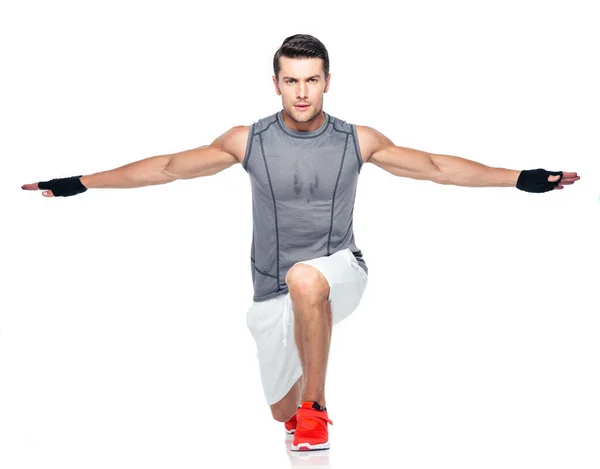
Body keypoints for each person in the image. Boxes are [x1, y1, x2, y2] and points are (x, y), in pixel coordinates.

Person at [21, 33, 580, 452]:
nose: (303, 90)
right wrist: (78, 183)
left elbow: (436, 167)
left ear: (328, 81)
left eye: (312, 78)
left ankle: (317, 407)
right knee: (277, 413)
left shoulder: (357, 140)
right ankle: (297, 412)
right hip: (270, 290)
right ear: (276, 83)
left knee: (306, 278)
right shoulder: (248, 141)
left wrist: (523, 177)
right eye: (292, 79)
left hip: (340, 272)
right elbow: (166, 168)